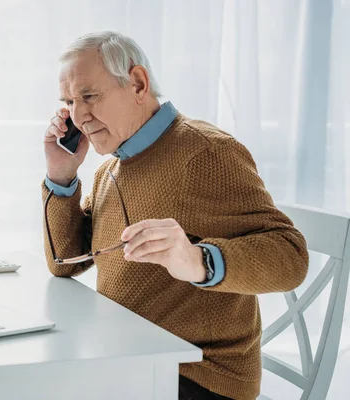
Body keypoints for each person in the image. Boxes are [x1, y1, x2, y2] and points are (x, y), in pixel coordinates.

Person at [41, 31, 308, 400]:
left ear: (137, 83)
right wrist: (61, 176)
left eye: (89, 96)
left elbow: (291, 257)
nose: (78, 115)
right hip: (131, 362)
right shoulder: (112, 168)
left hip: (198, 376)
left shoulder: (206, 152)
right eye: (69, 101)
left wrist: (198, 260)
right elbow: (64, 262)